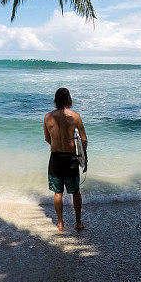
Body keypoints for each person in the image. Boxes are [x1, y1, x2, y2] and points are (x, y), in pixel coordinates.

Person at [44, 87, 87, 231]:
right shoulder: (75, 116)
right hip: (70, 158)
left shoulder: (48, 117)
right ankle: (78, 222)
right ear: (69, 99)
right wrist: (82, 155)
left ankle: (60, 223)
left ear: (55, 100)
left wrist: (57, 145)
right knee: (75, 191)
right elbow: (84, 140)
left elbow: (47, 139)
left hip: (55, 157)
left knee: (58, 193)